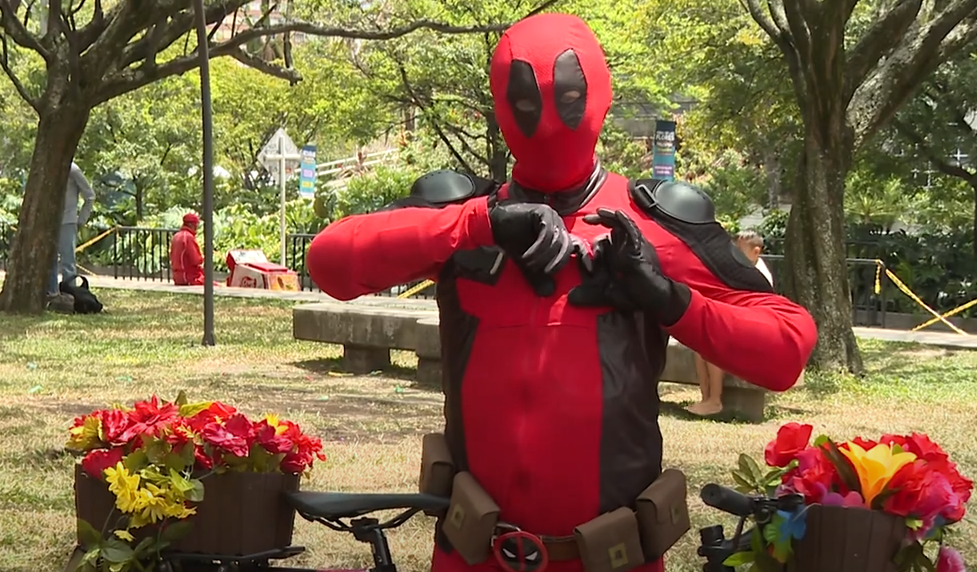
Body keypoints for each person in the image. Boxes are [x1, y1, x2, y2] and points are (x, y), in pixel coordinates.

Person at [306, 13, 817, 572]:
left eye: (569, 95)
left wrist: (666, 297)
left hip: (611, 555)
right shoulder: (464, 220)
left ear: (598, 93)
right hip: (475, 553)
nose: (548, 119)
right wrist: (481, 224)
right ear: (503, 104)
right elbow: (330, 262)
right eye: (526, 102)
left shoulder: (654, 224)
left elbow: (786, 348)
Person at [688, 229, 775, 416]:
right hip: (739, 322)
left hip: (755, 330)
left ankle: (715, 401)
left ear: (756, 251)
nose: (734, 256)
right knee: (699, 345)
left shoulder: (759, 276)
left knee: (713, 345)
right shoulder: (741, 270)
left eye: (739, 251)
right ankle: (705, 398)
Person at [47, 162, 96, 299]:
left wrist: (81, 220)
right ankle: (51, 293)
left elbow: (90, 196)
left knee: (67, 261)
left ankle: (70, 296)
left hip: (67, 221)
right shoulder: (47, 166)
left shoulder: (72, 169)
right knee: (49, 259)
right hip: (48, 221)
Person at [170, 213, 204, 286]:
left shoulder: (176, 236)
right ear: (192, 225)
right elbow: (196, 260)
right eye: (196, 224)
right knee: (216, 286)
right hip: (188, 277)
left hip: (177, 277)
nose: (197, 227)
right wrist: (203, 257)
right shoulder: (188, 237)